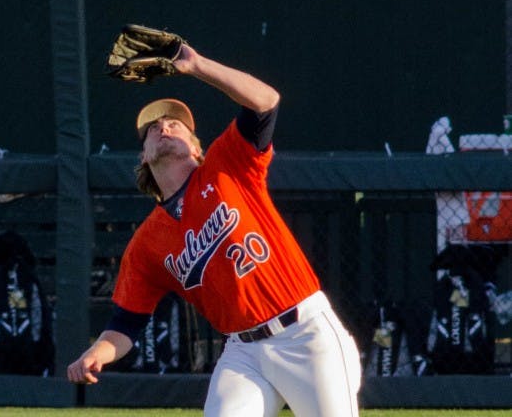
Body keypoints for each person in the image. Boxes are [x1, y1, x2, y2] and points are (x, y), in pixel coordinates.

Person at [67, 40, 361, 416]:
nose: (164, 125)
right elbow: (126, 324)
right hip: (244, 352)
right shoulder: (146, 245)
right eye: (153, 128)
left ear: (195, 146)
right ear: (144, 157)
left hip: (305, 334)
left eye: (176, 123)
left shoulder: (227, 165)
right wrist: (98, 352)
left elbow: (266, 100)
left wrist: (197, 65)